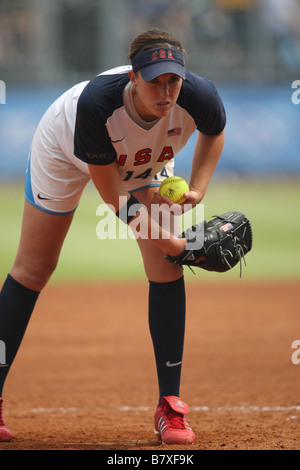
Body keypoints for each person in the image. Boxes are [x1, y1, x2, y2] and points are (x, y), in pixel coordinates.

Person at [0, 28, 226, 445]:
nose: (165, 91)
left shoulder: (200, 95)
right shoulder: (96, 104)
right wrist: (180, 247)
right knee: (34, 267)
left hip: (147, 156)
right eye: (154, 80)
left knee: (164, 268)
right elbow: (117, 200)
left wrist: (198, 188)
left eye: (172, 80)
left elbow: (214, 131)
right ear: (132, 78)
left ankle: (170, 408)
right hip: (66, 150)